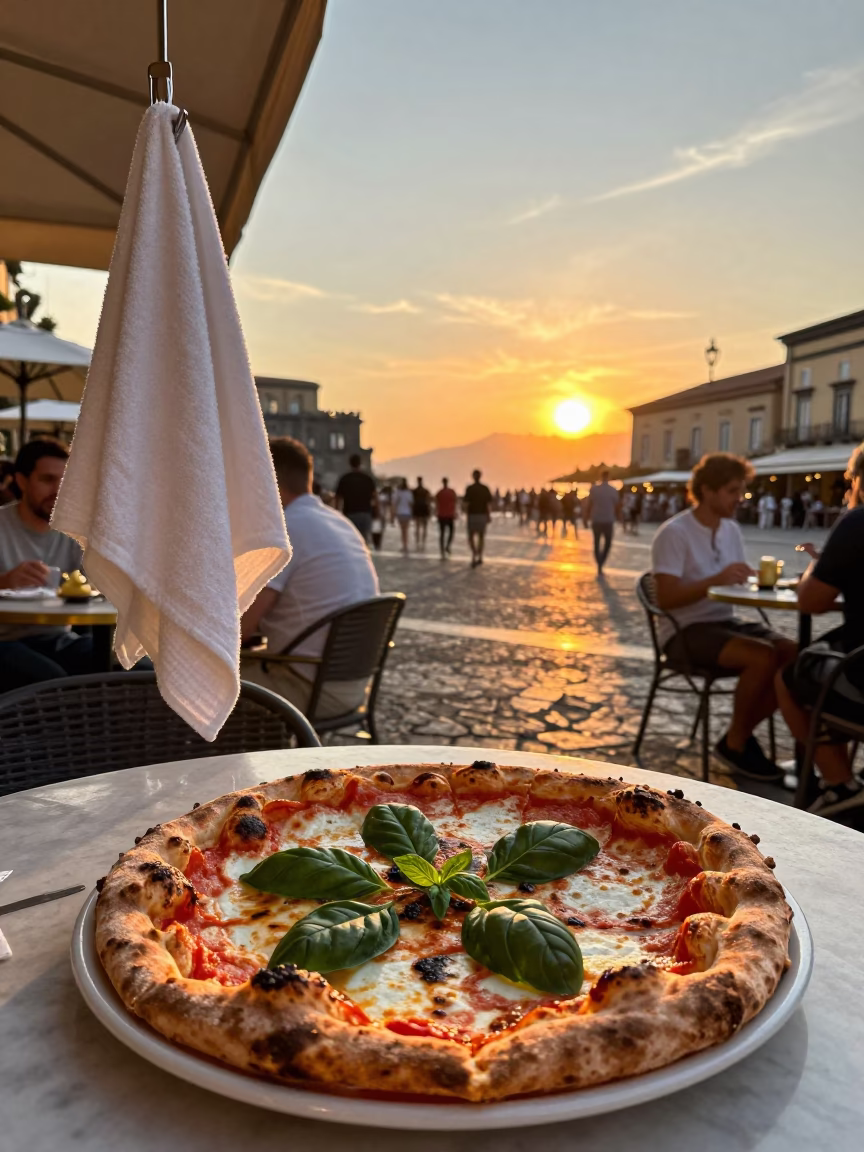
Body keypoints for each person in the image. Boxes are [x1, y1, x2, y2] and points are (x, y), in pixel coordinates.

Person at [651, 452, 797, 780]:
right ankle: (737, 743)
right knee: (762, 657)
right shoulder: (674, 533)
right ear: (707, 490)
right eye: (733, 490)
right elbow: (666, 597)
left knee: (792, 653)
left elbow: (733, 580)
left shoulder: (731, 529)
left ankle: (737, 738)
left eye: (741, 490)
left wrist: (755, 578)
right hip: (683, 630)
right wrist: (715, 579)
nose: (740, 498)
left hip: (722, 621)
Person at [241, 438, 379, 717]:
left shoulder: (285, 531)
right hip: (351, 683)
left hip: (309, 687)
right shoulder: (339, 522)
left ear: (266, 481)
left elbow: (240, 627)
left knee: (192, 685)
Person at [775, 444, 864, 816]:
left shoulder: (857, 523)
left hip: (861, 675)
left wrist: (817, 568)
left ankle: (839, 784)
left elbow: (810, 601)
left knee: (791, 675)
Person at [0, 439, 93, 692]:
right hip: (5, 640)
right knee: (50, 682)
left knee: (135, 668)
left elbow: (100, 590)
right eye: (47, 480)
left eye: (65, 481)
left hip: (59, 638)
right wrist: (4, 582)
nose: (58, 490)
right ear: (21, 481)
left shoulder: (78, 534)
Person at [584, 470, 620, 575]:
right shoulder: (613, 490)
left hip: (596, 519)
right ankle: (601, 562)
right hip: (608, 520)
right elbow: (617, 506)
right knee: (607, 544)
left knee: (596, 542)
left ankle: (599, 563)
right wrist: (620, 518)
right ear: (609, 477)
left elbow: (588, 505)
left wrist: (585, 518)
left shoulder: (594, 489)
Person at [335, 454, 377, 545]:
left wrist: (337, 513)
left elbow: (338, 498)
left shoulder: (345, 479)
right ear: (360, 463)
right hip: (365, 513)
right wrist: (377, 512)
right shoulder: (367, 478)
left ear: (350, 464)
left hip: (350, 513)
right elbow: (375, 497)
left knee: (351, 539)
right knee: (364, 539)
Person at [464, 469, 493, 568]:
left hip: (472, 515)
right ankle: (479, 555)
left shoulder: (470, 489)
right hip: (481, 515)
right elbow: (488, 504)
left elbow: (466, 504)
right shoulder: (485, 489)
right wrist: (488, 515)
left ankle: (474, 553)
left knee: (471, 537)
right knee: (481, 537)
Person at [435, 477, 457, 558]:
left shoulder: (439, 492)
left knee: (442, 533)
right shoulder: (451, 492)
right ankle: (447, 546)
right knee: (450, 532)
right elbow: (455, 503)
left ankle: (442, 549)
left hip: (442, 515)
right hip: (449, 515)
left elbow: (436, 504)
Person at [392, 478, 413, 555]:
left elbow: (394, 503)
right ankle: (406, 545)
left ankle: (404, 545)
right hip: (407, 513)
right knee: (406, 530)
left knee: (402, 530)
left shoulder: (398, 492)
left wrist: (393, 514)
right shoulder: (408, 493)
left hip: (400, 512)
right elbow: (411, 503)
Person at [412, 477, 431, 550]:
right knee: (423, 528)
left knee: (418, 527)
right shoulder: (425, 491)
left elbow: (412, 502)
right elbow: (428, 501)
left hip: (418, 510)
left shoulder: (415, 491)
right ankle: (422, 543)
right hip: (423, 510)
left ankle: (418, 542)